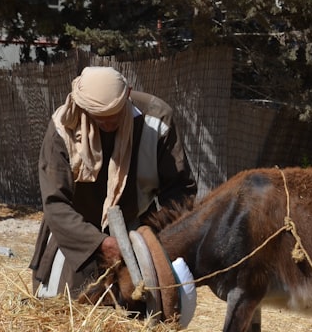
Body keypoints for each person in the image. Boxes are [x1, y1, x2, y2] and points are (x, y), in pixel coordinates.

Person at [30, 65, 197, 299]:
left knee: (143, 313)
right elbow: (55, 204)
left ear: (128, 94)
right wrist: (100, 243)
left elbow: (179, 190)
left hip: (137, 231)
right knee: (64, 310)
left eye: (115, 117)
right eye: (100, 120)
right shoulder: (62, 128)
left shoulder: (156, 119)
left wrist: (159, 243)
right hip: (76, 236)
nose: (108, 126)